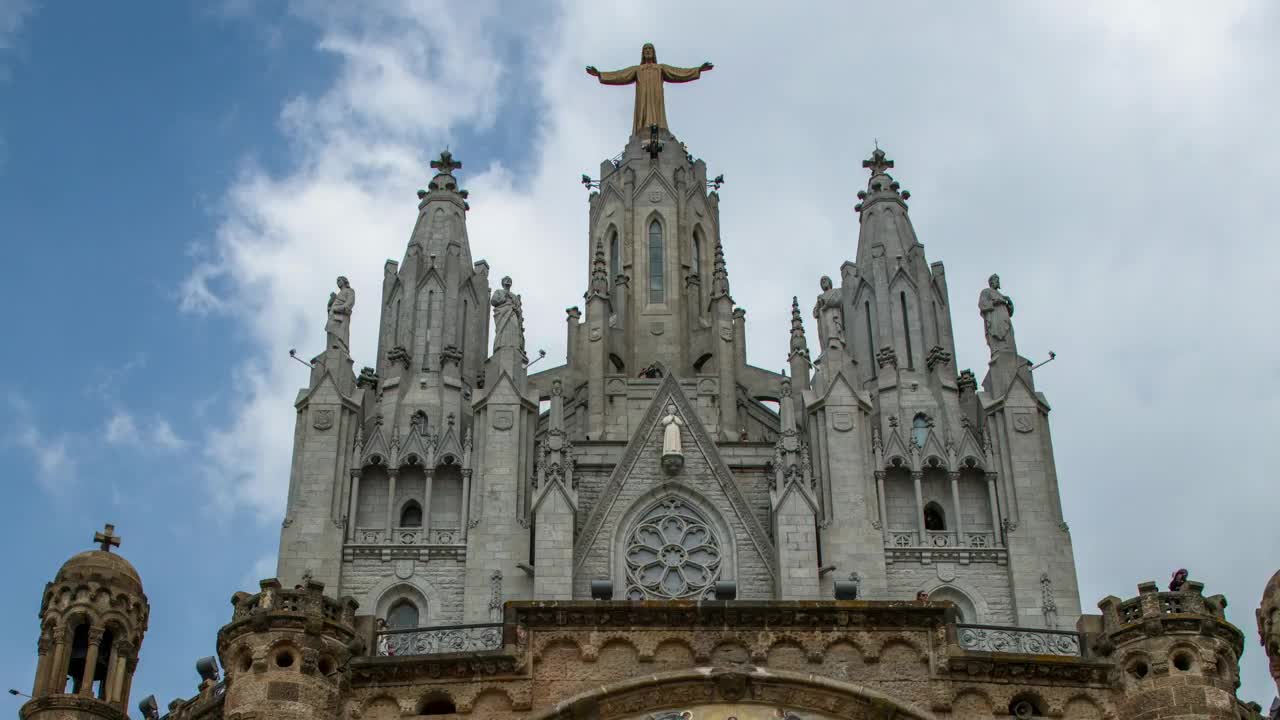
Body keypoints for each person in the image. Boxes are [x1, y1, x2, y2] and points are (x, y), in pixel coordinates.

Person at [586, 43, 713, 136]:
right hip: (643, 98)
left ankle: (659, 129)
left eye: (650, 49)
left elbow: (678, 72)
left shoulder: (660, 68)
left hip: (656, 97)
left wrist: (698, 70)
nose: (647, 51)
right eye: (645, 49)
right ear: (642, 53)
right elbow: (620, 75)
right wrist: (600, 74)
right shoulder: (638, 69)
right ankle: (643, 128)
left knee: (657, 113)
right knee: (644, 111)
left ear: (653, 52)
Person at [325, 276, 355, 353]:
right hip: (332, 316)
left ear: (344, 281)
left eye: (339, 280)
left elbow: (349, 303)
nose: (337, 282)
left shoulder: (350, 291)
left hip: (341, 316)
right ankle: (331, 349)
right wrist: (331, 301)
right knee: (331, 333)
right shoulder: (338, 294)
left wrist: (338, 309)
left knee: (340, 335)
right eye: (337, 281)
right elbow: (330, 307)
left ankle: (340, 349)